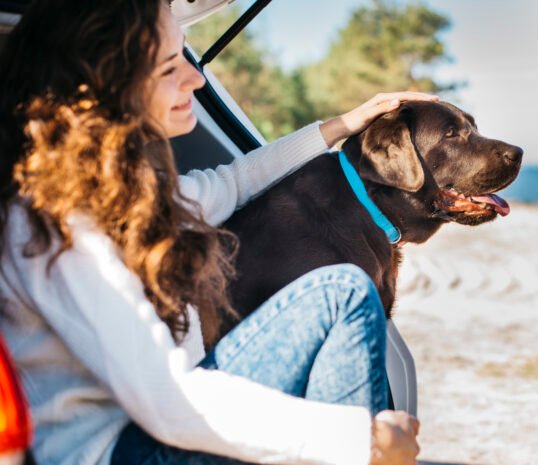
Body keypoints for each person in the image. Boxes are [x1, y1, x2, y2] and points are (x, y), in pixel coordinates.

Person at [0, 1, 439, 465]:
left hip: (163, 426)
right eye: (170, 67)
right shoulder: (54, 224)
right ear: (102, 91)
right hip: (121, 452)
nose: (196, 78)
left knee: (341, 291)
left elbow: (236, 182)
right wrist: (360, 440)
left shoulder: (137, 195)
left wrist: (346, 124)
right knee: (343, 299)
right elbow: (170, 402)